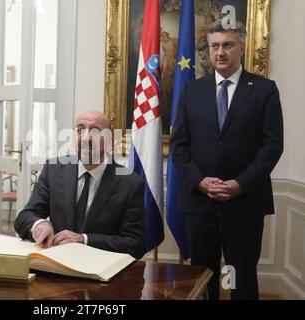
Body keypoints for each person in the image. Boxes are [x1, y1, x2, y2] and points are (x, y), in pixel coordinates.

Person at [170, 19, 283, 300]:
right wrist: (200, 181)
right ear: (208, 50)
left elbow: (272, 146)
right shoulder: (191, 91)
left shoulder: (264, 90)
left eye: (227, 45)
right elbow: (179, 147)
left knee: (240, 275)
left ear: (241, 48)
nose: (220, 52)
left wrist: (239, 184)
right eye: (214, 46)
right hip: (200, 202)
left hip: (244, 203)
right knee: (201, 275)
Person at [14, 111, 146, 259]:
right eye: (80, 130)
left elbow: (135, 244)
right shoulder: (54, 169)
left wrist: (84, 240)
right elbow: (25, 217)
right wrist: (38, 224)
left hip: (101, 271)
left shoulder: (130, 183)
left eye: (95, 131)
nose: (85, 138)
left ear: (110, 140)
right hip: (56, 265)